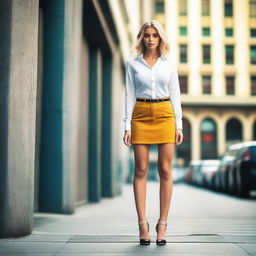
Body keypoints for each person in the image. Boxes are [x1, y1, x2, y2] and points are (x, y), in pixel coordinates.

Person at [122, 20, 183, 246]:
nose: (150, 39)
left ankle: (163, 224)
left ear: (160, 38)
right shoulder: (133, 65)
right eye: (147, 35)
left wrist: (179, 124)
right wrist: (127, 125)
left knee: (165, 170)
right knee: (141, 170)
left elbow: (175, 94)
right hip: (140, 115)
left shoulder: (169, 64)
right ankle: (142, 225)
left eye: (155, 35)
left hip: (165, 114)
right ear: (142, 38)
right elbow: (129, 95)